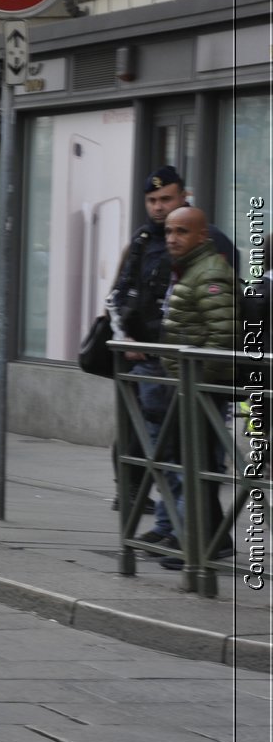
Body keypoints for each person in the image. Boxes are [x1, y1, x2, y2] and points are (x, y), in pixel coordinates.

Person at [108, 166, 239, 544]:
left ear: (184, 196)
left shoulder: (211, 247)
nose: (159, 209)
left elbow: (221, 322)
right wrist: (125, 335)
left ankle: (196, 537)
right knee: (161, 451)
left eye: (166, 199)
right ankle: (170, 526)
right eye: (152, 201)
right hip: (153, 362)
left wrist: (201, 372)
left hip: (191, 371)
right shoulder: (145, 239)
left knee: (195, 455)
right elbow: (123, 291)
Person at [155, 205, 238, 570]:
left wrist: (196, 380)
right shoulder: (192, 269)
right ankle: (209, 540)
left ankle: (201, 545)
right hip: (189, 385)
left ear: (202, 236)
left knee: (198, 463)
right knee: (189, 460)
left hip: (202, 388)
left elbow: (225, 337)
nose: (172, 238)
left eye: (182, 232)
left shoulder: (208, 274)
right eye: (169, 231)